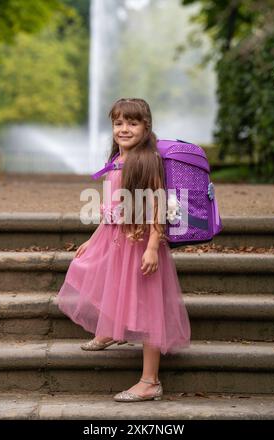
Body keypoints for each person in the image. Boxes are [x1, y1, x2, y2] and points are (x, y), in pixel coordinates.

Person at [56, 98, 191, 402]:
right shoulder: (116, 159)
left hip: (139, 243)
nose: (124, 129)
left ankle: (150, 381)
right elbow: (112, 208)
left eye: (132, 123)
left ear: (146, 127)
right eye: (118, 123)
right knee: (92, 271)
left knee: (146, 306)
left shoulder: (147, 161)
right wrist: (93, 239)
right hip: (114, 238)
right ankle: (111, 329)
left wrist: (153, 248)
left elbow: (157, 205)